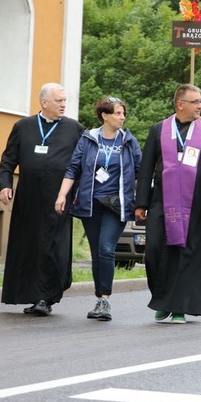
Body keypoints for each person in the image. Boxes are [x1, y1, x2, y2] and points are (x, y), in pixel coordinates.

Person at [135, 84, 201, 324]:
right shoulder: (158, 130)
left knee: (188, 255)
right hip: (161, 204)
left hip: (196, 207)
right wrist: (141, 202)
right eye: (195, 101)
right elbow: (146, 169)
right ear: (180, 104)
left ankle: (181, 307)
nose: (200, 105)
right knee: (156, 253)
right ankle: (163, 301)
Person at [0, 83, 85, 316]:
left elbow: (84, 164)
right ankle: (32, 295)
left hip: (59, 200)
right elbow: (7, 161)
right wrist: (5, 186)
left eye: (65, 100)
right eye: (59, 101)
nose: (63, 105)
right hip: (28, 199)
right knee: (31, 247)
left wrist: (78, 195)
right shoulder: (23, 127)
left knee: (52, 248)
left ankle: (46, 297)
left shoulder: (75, 129)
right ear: (44, 102)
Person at [54, 96, 141, 321]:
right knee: (96, 253)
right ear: (105, 115)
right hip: (90, 204)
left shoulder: (129, 141)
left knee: (106, 249)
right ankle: (99, 298)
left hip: (116, 204)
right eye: (117, 113)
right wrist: (63, 194)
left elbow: (140, 173)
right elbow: (73, 168)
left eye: (123, 113)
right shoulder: (88, 139)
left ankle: (105, 299)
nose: (122, 117)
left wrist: (142, 203)